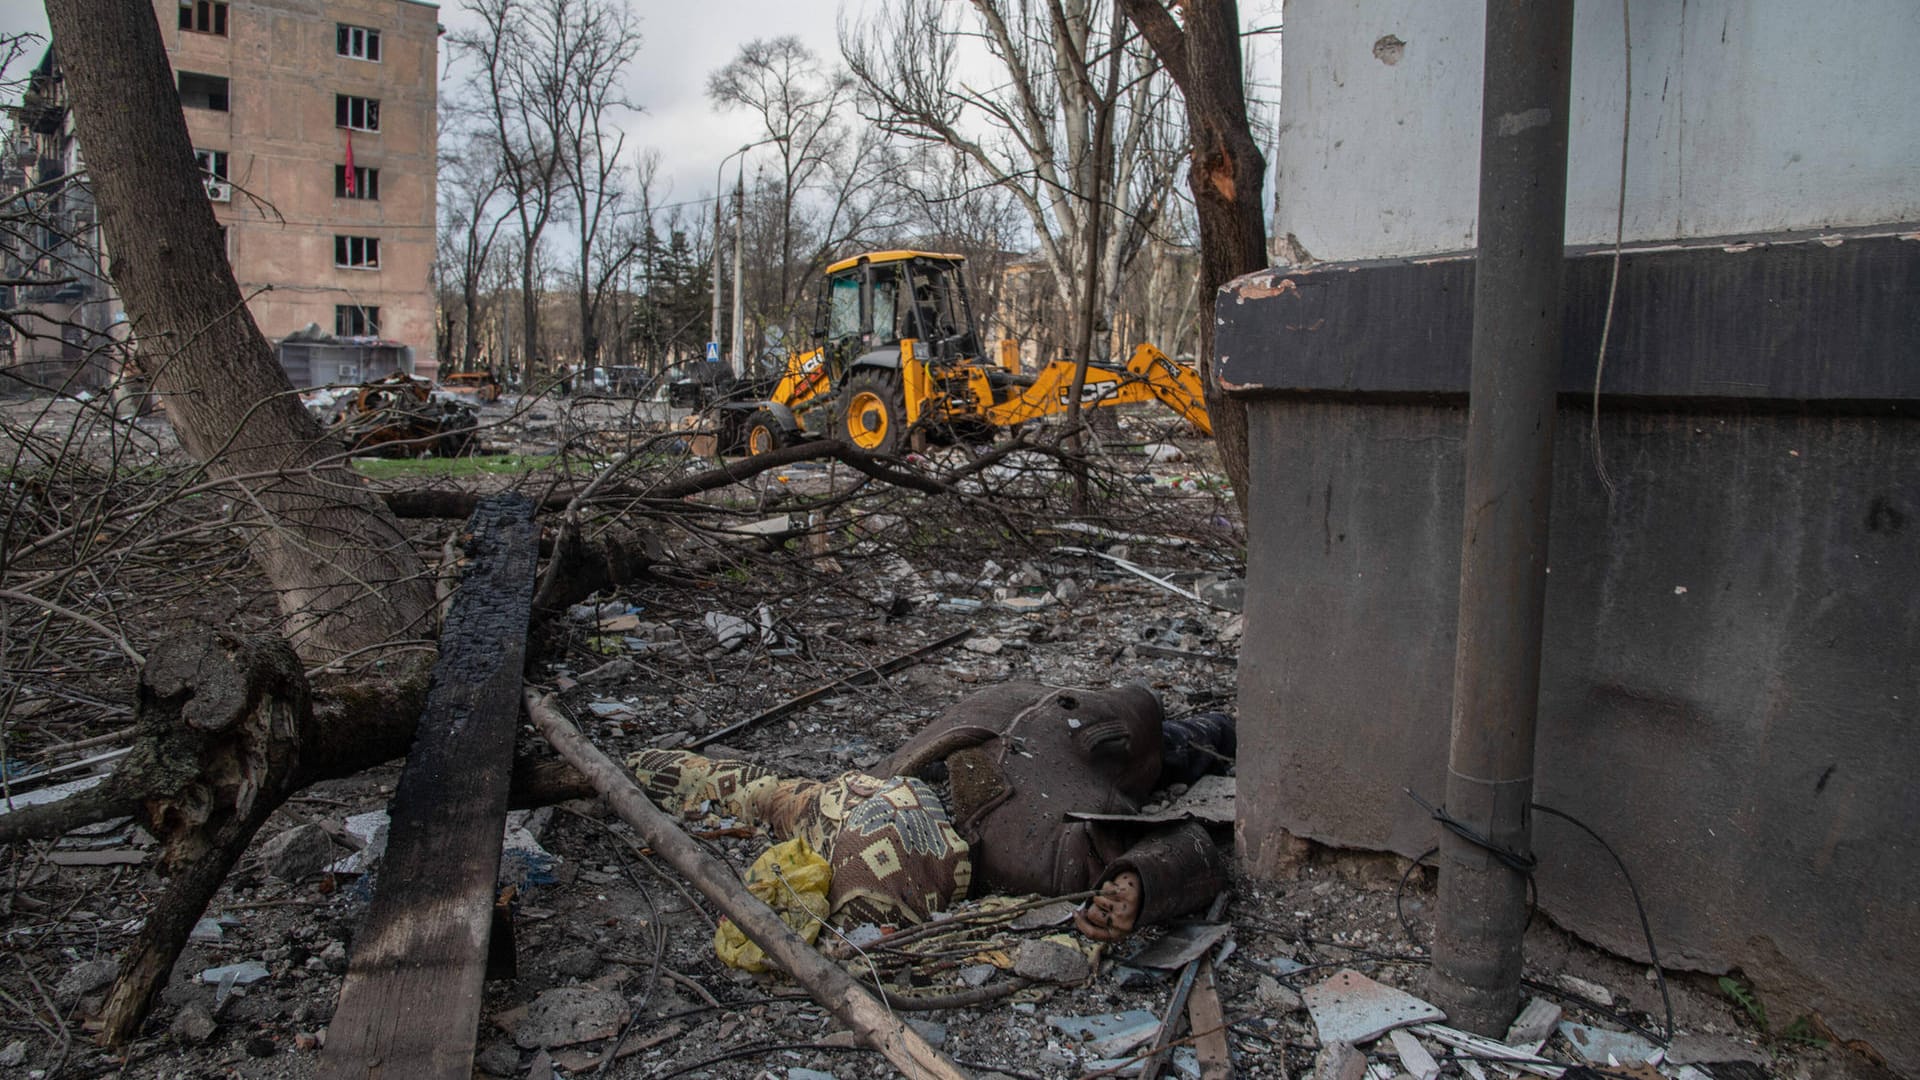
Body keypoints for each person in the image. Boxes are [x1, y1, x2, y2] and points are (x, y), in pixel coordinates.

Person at [627, 682, 1230, 941]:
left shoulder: (849, 802)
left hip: (1032, 702)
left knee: (1162, 721)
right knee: (1188, 742)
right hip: (1104, 736)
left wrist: (653, 766)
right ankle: (1226, 730)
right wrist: (1138, 885)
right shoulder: (1033, 857)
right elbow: (1186, 844)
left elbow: (761, 793)